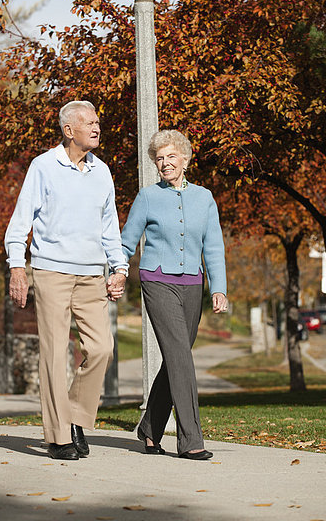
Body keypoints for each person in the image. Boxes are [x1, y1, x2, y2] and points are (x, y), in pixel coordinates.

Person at [4, 100, 128, 461]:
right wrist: (17, 267)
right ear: (68, 130)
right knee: (56, 355)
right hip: (51, 272)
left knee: (102, 348)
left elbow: (110, 229)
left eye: (97, 122)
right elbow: (20, 221)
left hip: (92, 274)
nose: (96, 127)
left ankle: (74, 416)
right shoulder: (43, 167)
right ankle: (58, 437)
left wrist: (119, 268)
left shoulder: (102, 172)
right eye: (88, 122)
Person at [120, 129, 227, 461]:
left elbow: (213, 246)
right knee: (182, 357)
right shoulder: (148, 197)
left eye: (170, 157)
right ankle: (191, 439)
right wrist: (118, 270)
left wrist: (219, 287)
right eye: (159, 158)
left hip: (193, 284)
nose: (164, 163)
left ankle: (150, 428)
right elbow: (126, 239)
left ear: (185, 158)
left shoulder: (204, 198)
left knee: (176, 359)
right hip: (157, 280)